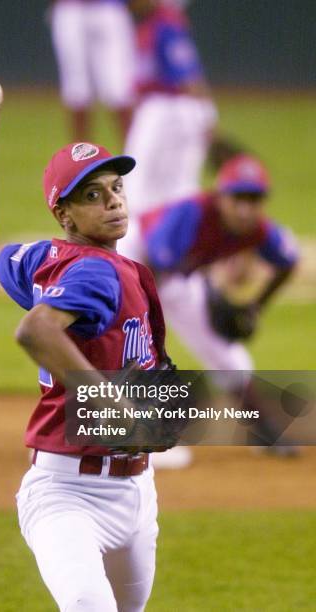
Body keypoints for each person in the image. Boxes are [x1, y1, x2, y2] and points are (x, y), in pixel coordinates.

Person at [0, 76, 169, 611]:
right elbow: (36, 329)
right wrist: (113, 403)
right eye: (92, 196)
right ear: (65, 214)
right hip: (67, 497)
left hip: (136, 493)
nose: (113, 202)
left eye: (116, 187)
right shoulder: (95, 273)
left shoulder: (46, 258)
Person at [119, 154, 299, 464]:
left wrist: (255, 306)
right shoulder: (190, 213)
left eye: (254, 199)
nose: (245, 208)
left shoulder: (259, 230)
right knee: (136, 347)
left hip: (176, 275)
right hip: (134, 260)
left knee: (228, 356)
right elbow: (155, 268)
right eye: (238, 197)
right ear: (220, 196)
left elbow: (287, 262)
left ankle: (264, 430)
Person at [124, 0, 217, 212]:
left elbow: (188, 76)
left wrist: (207, 114)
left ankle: (134, 240)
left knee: (139, 183)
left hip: (167, 109)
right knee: (176, 187)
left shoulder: (166, 26)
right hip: (167, 109)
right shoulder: (155, 25)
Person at [47, 0, 136, 141]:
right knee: (77, 91)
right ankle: (80, 160)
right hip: (71, 8)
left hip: (109, 8)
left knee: (120, 90)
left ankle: (135, 156)